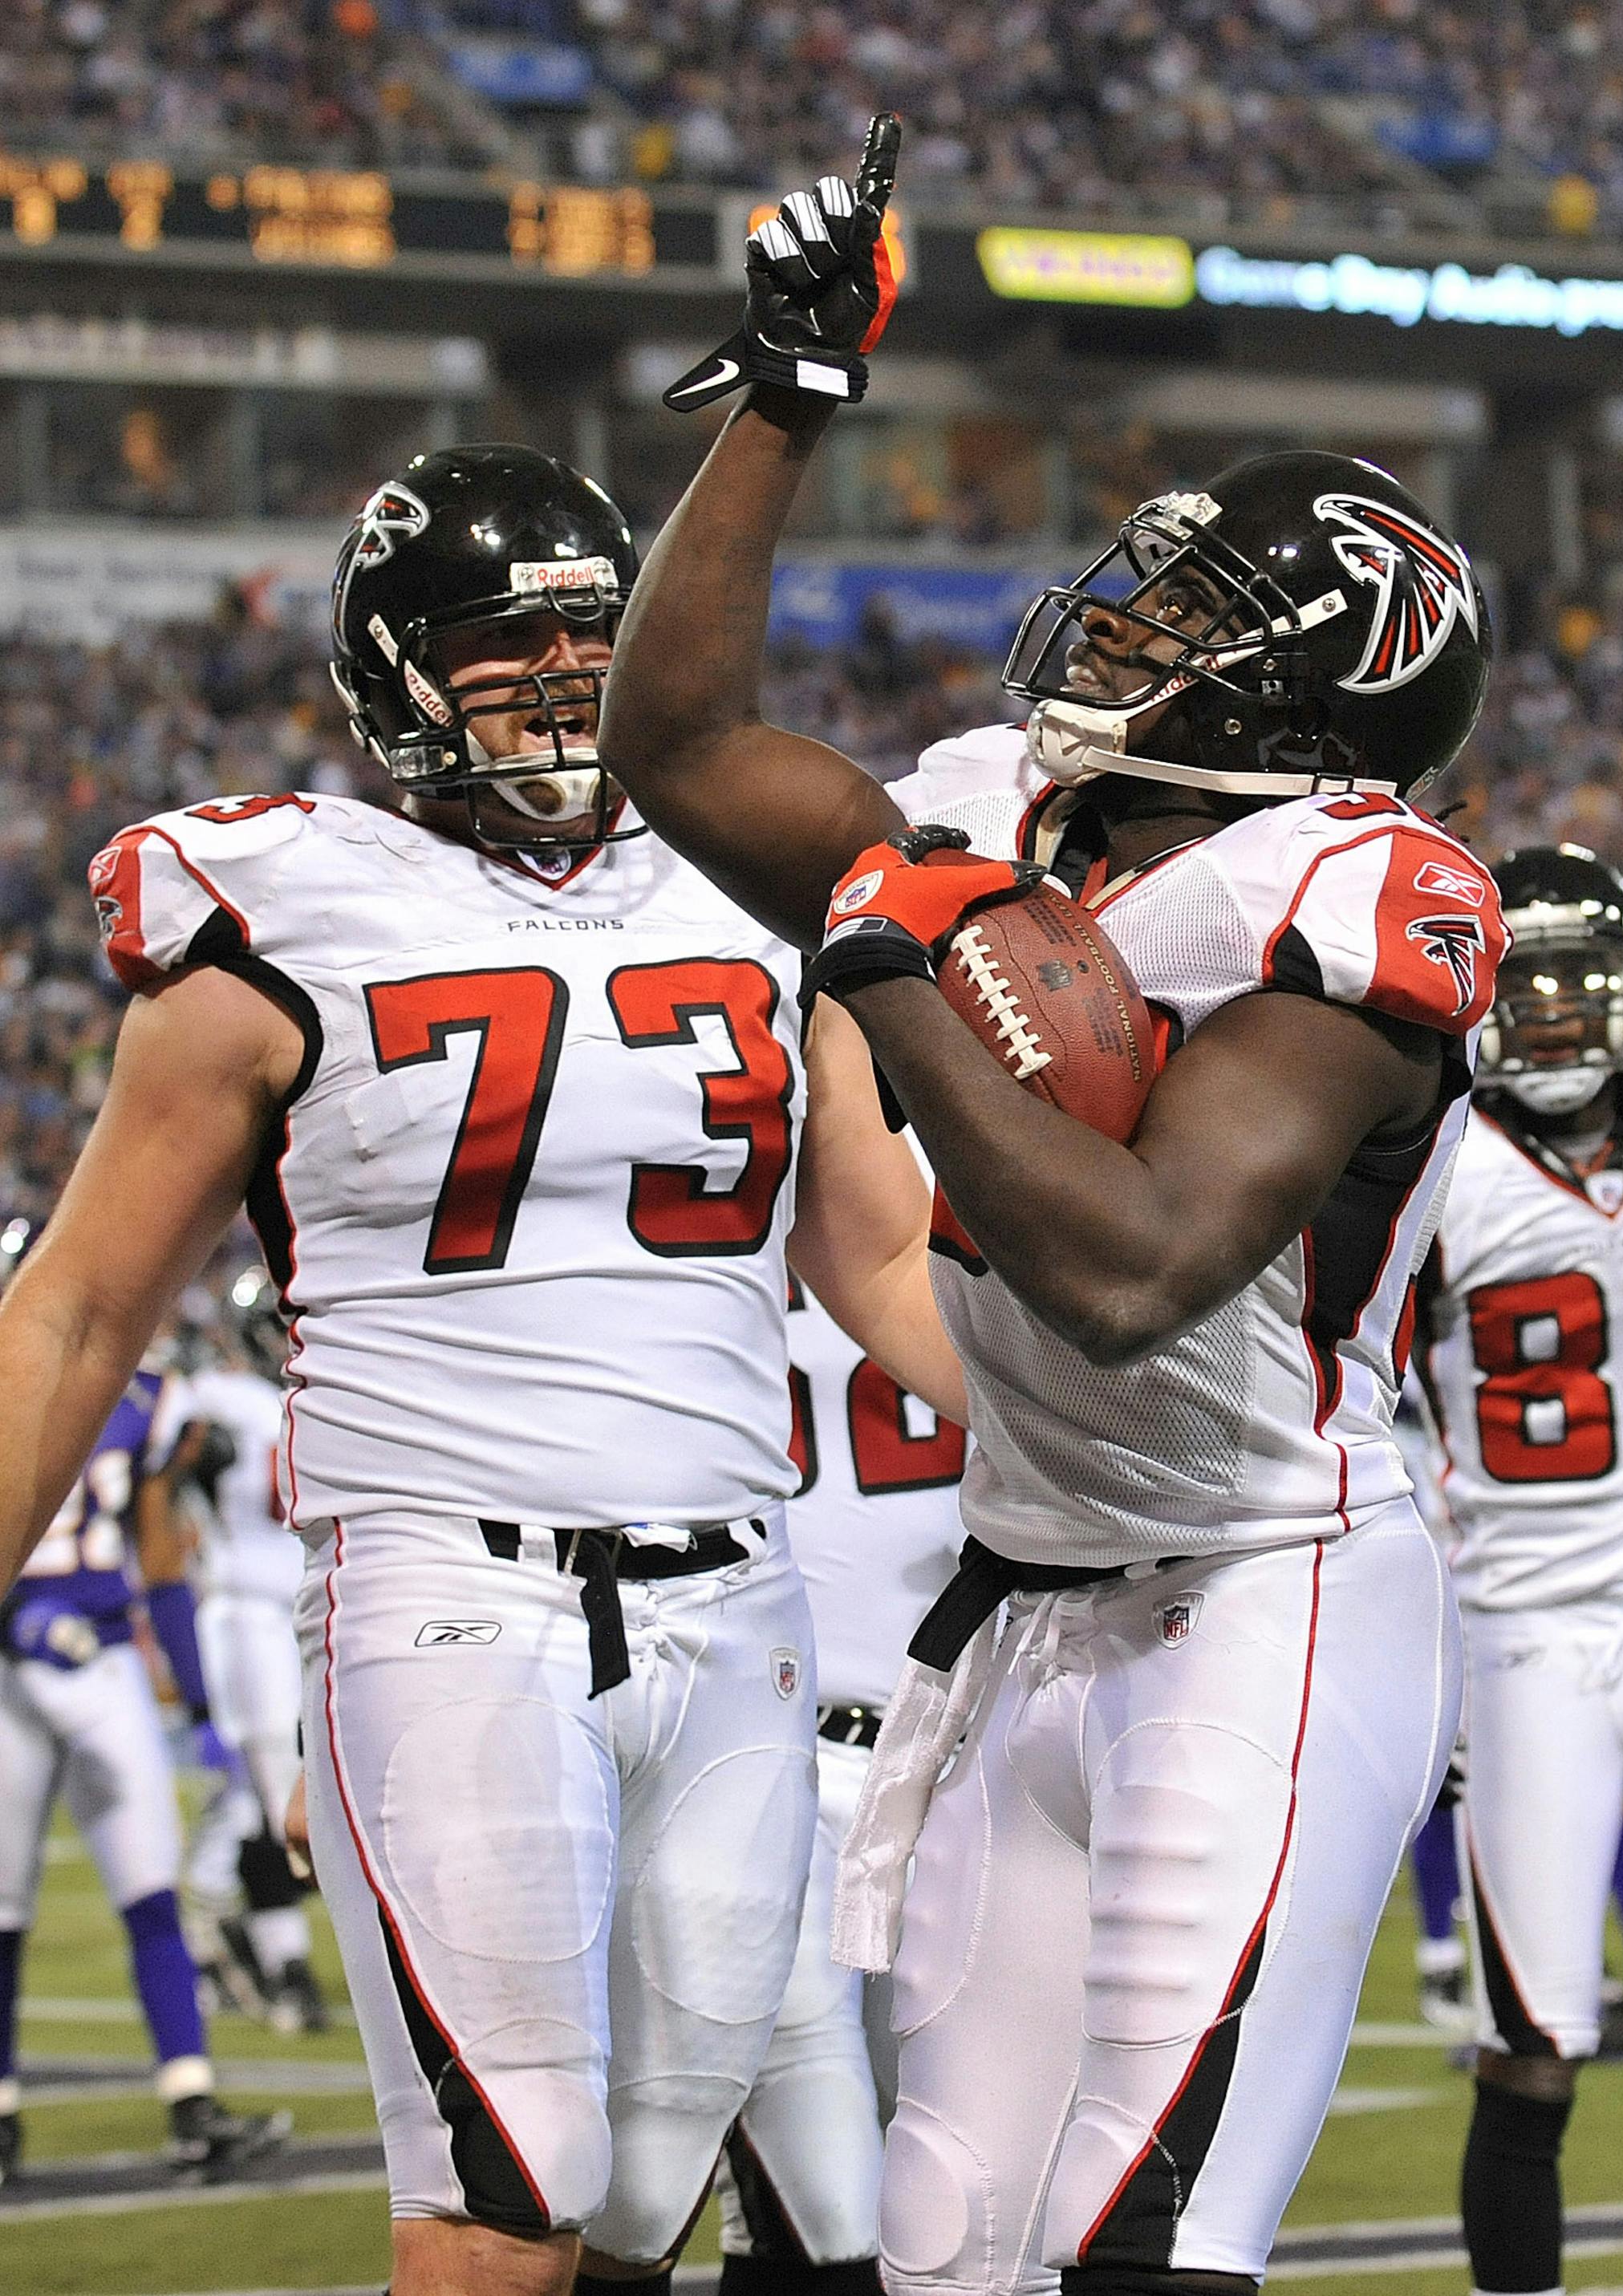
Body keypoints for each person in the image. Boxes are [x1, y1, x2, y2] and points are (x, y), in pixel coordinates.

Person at [598, 122, 1508, 2296]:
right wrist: (786, 400)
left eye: (1191, 617)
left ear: (1321, 684)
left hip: (1269, 1594)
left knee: (1142, 2239)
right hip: (1028, 1598)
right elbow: (681, 733)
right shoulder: (1009, 812)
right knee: (938, 2240)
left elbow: (1126, 1266)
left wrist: (898, 963)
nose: (1128, 627)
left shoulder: (1359, 892)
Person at [0, 444, 961, 2296]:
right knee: (504, 2203)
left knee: (637, 2193)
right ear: (391, 668)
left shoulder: (758, 891)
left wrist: (1119, 1442)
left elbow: (880, 1250)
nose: (561, 672)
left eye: (590, 631)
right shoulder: (270, 904)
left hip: (735, 1602)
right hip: (451, 1590)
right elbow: (79, 1309)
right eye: (501, 640)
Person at [1414, 846, 1623, 2296]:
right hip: (1526, 1640)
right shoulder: (1430, 1158)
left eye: (1573, 981)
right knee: (1534, 2046)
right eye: (1519, 983)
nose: (1546, 1014)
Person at [717, 1270, 964, 2294]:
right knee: (814, 2208)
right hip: (753, 1743)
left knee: (963, 2203)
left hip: (958, 1756)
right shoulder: (717, 1179)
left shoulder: (989, 1172)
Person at [0, 1343, 289, 2182]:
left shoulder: (150, 1397)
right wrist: (16, 1616)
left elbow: (161, 1557)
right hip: (12, 1668)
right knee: (4, 1909)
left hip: (110, 1659)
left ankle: (193, 2104)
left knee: (150, 1886)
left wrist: (199, 1704)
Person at [180, 1268, 328, 2034]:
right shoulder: (217, 1402)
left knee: (270, 1795)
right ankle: (286, 1963)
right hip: (246, 1611)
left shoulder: (326, 1389)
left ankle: (217, 1928)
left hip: (313, 1606)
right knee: (275, 1780)